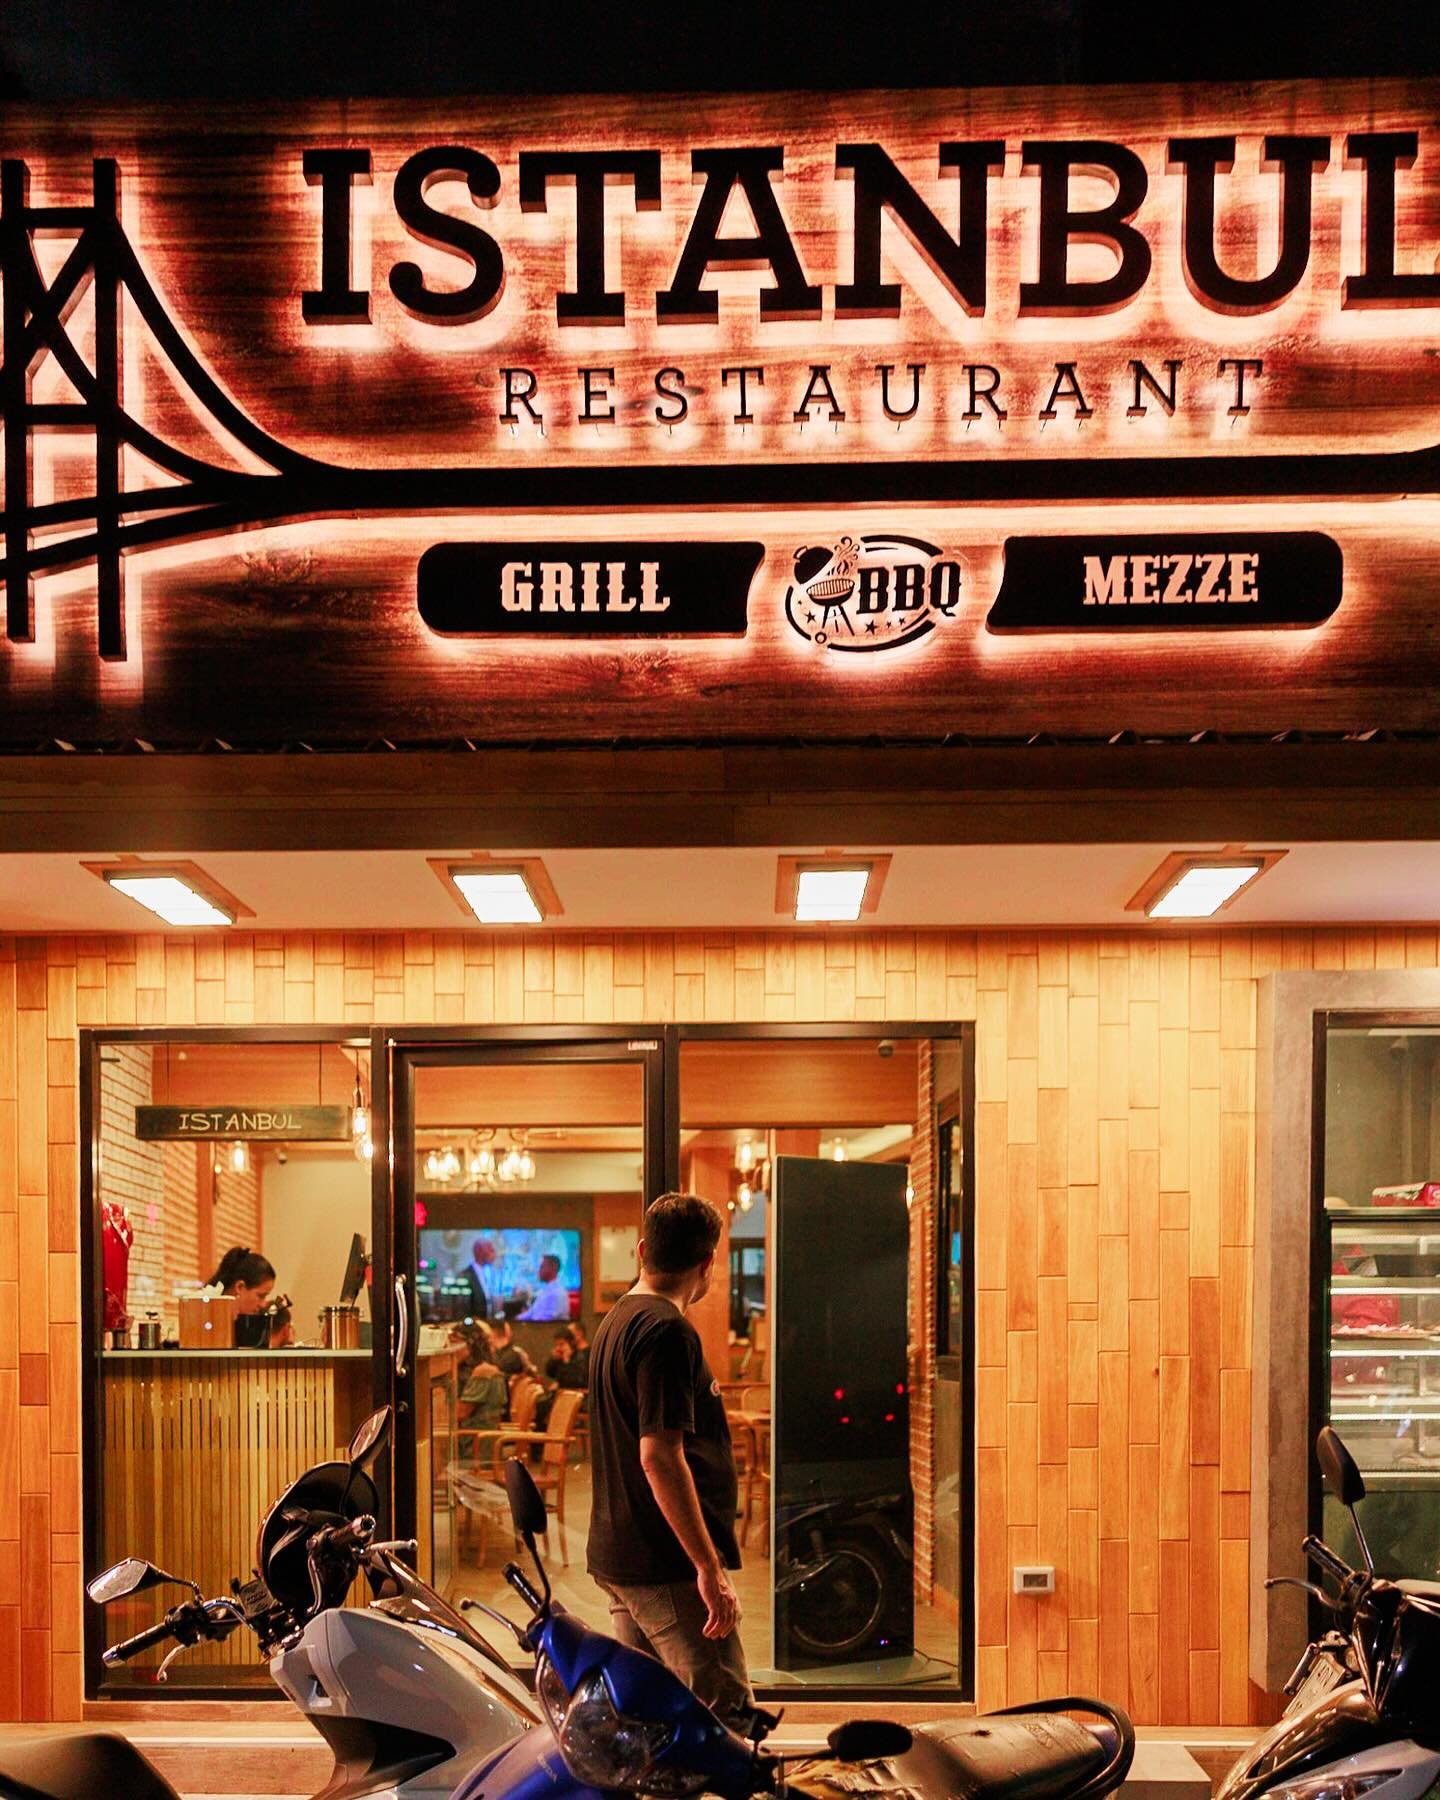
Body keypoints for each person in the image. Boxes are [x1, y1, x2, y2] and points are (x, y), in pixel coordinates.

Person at [586, 1192, 752, 1727]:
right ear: (707, 1265)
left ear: (642, 1250)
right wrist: (707, 1567)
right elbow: (659, 1457)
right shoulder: (666, 1332)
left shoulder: (616, 1323)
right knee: (724, 1723)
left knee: (652, 1724)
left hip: (623, 1556)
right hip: (664, 1563)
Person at [519, 1252, 569, 1321]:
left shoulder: (556, 1292)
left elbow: (542, 1322)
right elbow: (532, 1312)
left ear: (553, 1268)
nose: (539, 1270)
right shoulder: (547, 1289)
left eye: (542, 1267)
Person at [461, 1236, 502, 1320]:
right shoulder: (466, 1275)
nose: (494, 1254)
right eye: (491, 1250)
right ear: (479, 1251)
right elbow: (463, 1307)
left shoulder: (489, 1273)